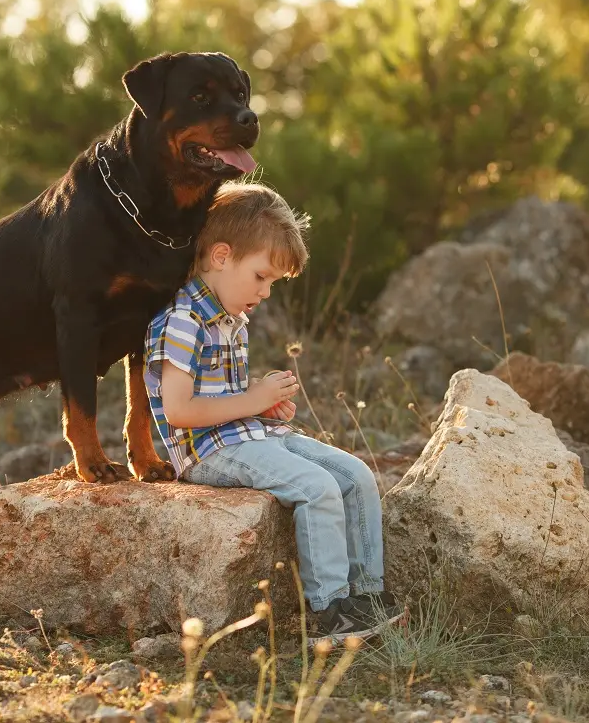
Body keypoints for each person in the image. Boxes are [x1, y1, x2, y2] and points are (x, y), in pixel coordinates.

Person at [144, 182, 404, 644]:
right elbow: (179, 411)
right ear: (221, 257)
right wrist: (253, 400)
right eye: (261, 277)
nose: (265, 293)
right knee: (317, 487)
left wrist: (264, 408)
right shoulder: (182, 320)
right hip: (208, 451)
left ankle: (366, 596)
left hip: (248, 435)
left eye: (272, 283)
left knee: (356, 474)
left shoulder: (232, 317)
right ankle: (331, 613)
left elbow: (228, 396)